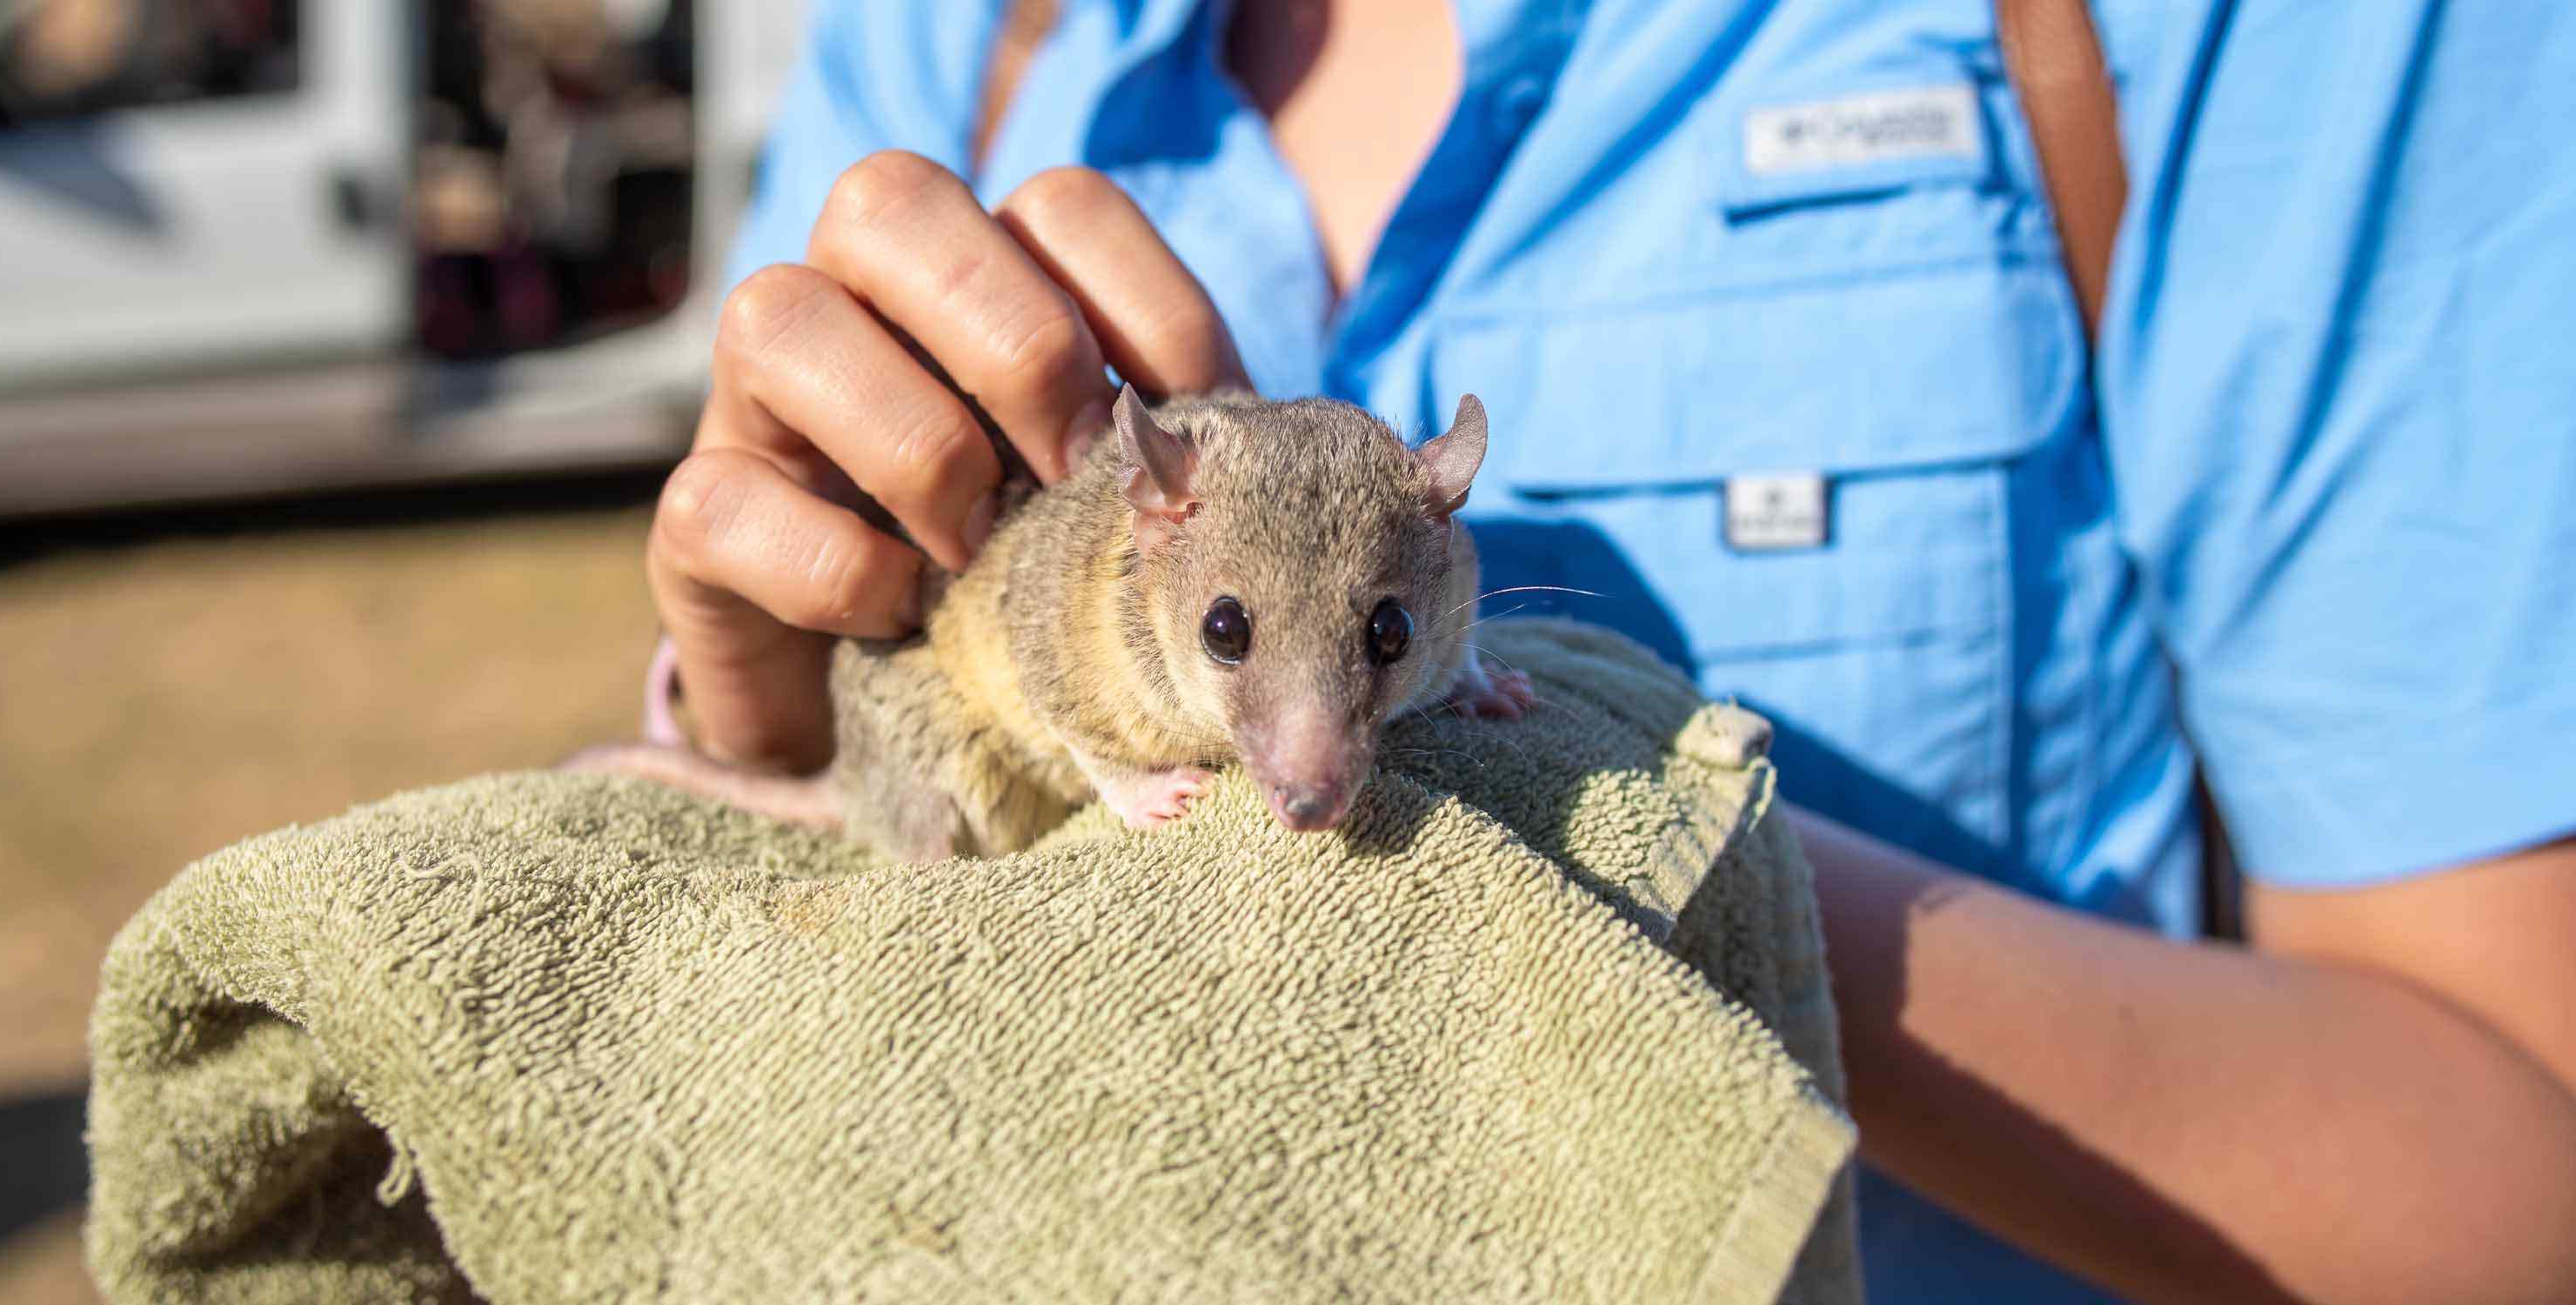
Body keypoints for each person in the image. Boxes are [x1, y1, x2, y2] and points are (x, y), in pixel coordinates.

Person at [643, 2, 2576, 1299]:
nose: (1317, 762)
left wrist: (1629, 851)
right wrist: (754, 701)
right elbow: (788, 837)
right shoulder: (959, 37)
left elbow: (2525, 1163)